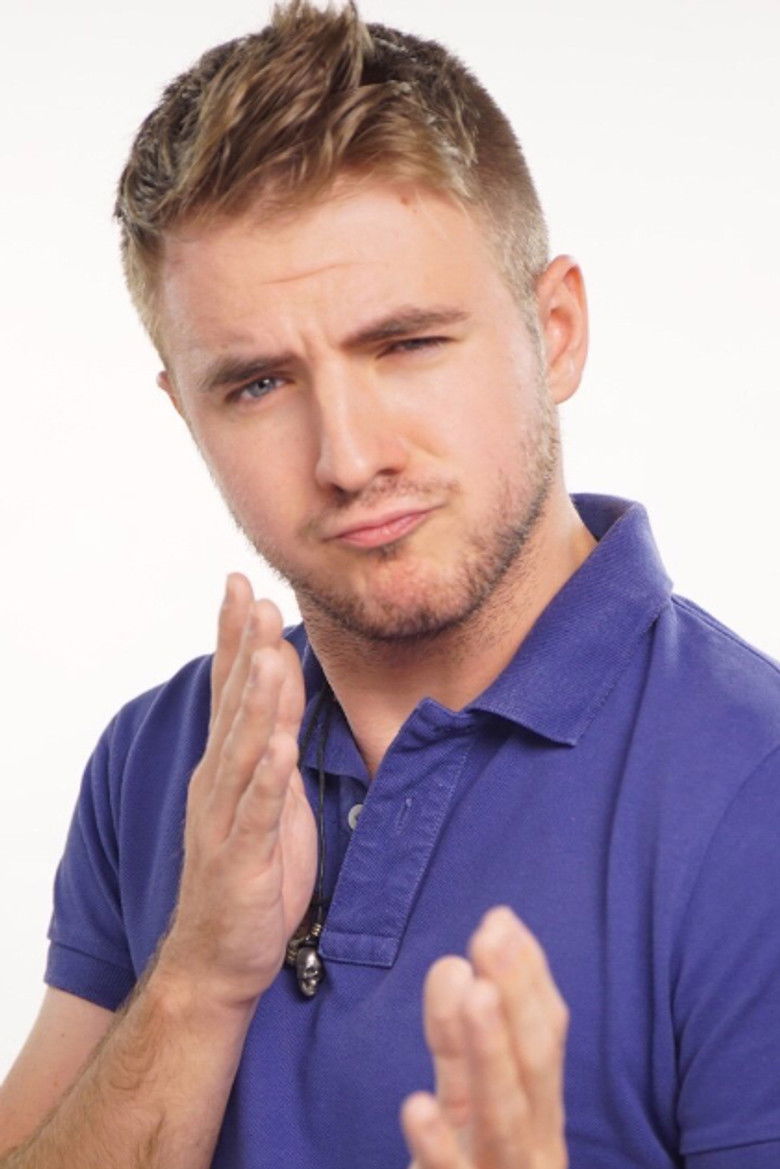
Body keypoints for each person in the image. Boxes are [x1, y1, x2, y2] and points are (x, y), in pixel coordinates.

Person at [1, 1, 779, 1166]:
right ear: (185, 411)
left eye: (405, 344)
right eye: (258, 384)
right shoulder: (162, 757)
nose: (350, 457)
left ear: (556, 330)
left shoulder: (756, 795)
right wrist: (198, 978)